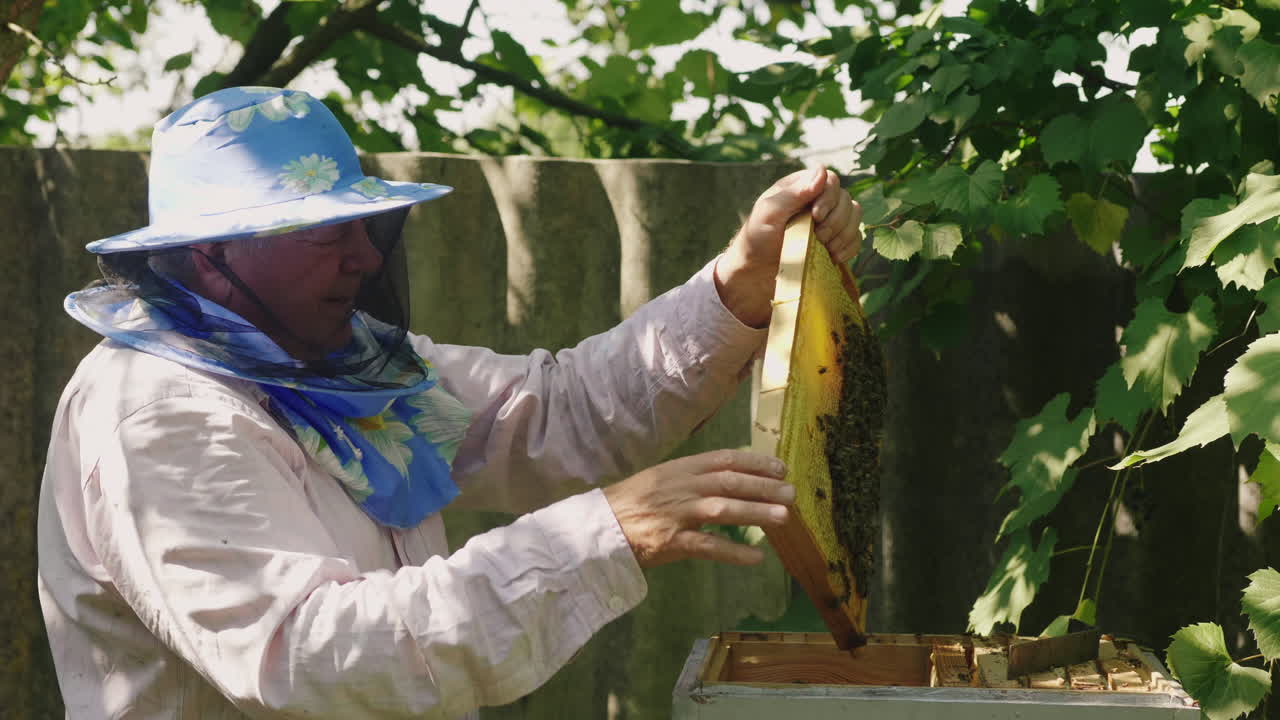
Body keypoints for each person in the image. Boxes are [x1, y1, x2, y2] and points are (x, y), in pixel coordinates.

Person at [37, 87, 862, 718]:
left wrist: (740, 287)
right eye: (325, 234)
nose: (363, 257)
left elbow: (558, 411)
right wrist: (605, 532)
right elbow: (312, 656)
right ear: (215, 258)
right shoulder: (160, 416)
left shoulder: (344, 367)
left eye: (367, 229)